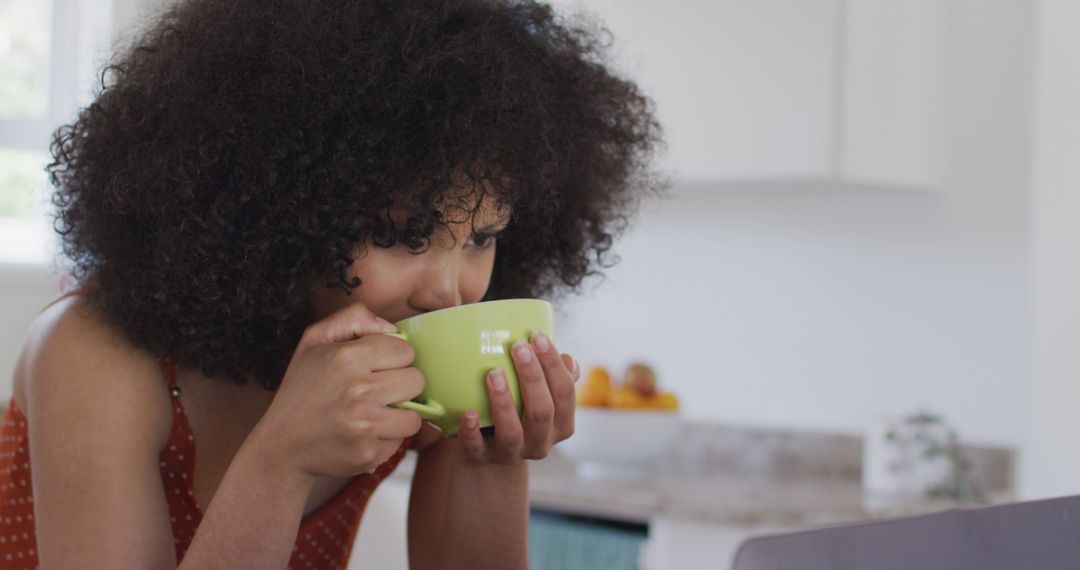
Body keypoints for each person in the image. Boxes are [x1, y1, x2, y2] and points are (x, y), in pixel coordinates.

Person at [1, 0, 662, 567]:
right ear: (274, 209)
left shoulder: (418, 380)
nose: (449, 292)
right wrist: (279, 462)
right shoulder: (95, 358)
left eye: (482, 239)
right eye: (403, 234)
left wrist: (492, 458)